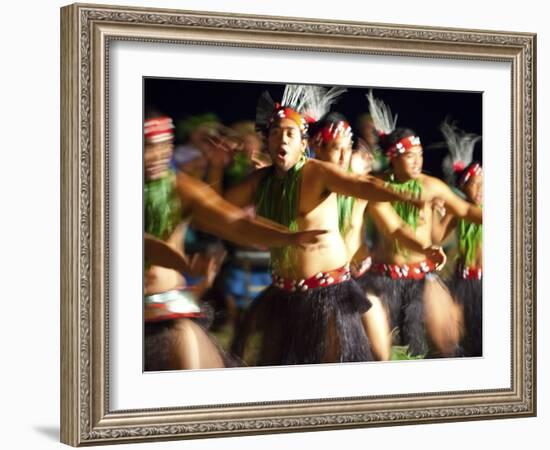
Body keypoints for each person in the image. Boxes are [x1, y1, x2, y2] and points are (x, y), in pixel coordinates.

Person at [227, 85, 429, 366]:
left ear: (303, 143)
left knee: (370, 357)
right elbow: (217, 208)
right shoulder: (261, 181)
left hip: (334, 292)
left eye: (290, 133)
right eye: (275, 133)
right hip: (285, 293)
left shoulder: (321, 174)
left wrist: (402, 196)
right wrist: (220, 168)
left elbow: (365, 190)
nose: (282, 139)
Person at [143, 114, 326, 371]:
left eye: (164, 146)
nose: (157, 156)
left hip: (169, 311)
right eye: (148, 147)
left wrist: (289, 237)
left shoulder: (180, 188)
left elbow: (235, 222)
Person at [309, 111, 446, 361]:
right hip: (322, 285)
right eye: (337, 149)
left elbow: (395, 228)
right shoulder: (306, 186)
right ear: (317, 147)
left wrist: (425, 248)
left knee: (380, 353)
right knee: (331, 355)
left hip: (358, 280)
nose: (343, 157)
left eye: (347, 149)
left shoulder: (362, 186)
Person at [358, 91, 483, 358]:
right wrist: (426, 249)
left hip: (422, 277)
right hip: (383, 279)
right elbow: (396, 230)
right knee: (380, 352)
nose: (418, 160)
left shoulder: (431, 186)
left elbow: (465, 210)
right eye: (410, 155)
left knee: (447, 342)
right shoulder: (378, 188)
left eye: (420, 154)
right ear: (393, 156)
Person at [432, 120, 483, 357]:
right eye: (476, 185)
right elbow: (438, 236)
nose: (482, 190)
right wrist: (434, 212)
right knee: (460, 335)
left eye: (485, 184)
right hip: (462, 283)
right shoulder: (459, 209)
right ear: (464, 186)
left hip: (487, 283)